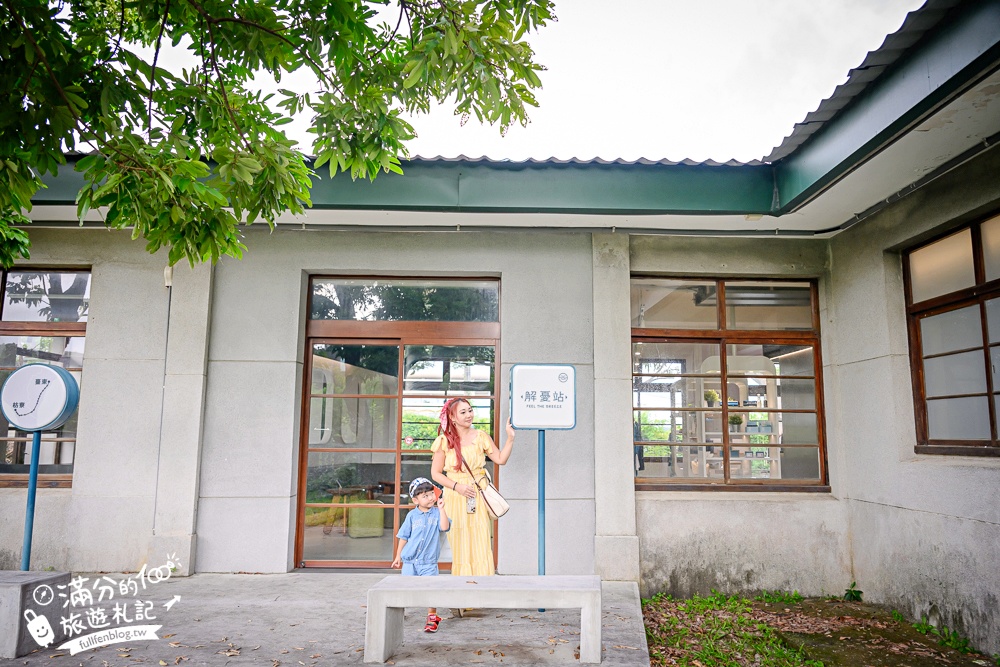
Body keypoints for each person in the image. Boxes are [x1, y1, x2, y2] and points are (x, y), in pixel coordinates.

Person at [430, 397, 515, 577]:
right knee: (459, 541)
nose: (469, 415)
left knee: (480, 539)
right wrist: (457, 486)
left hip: (477, 493)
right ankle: (462, 592)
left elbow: (500, 459)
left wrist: (510, 439)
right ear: (452, 417)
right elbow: (435, 473)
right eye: (463, 412)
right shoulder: (444, 441)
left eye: (470, 410)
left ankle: (482, 588)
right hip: (456, 495)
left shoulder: (481, 436)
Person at [391, 477, 451, 632]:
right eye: (425, 496)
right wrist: (398, 556)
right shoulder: (411, 516)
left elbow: (444, 527)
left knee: (431, 589)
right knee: (405, 588)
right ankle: (398, 612)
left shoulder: (437, 513)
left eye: (431, 493)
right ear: (415, 500)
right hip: (410, 562)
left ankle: (432, 617)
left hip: (428, 563)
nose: (430, 497)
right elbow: (403, 537)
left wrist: (442, 509)